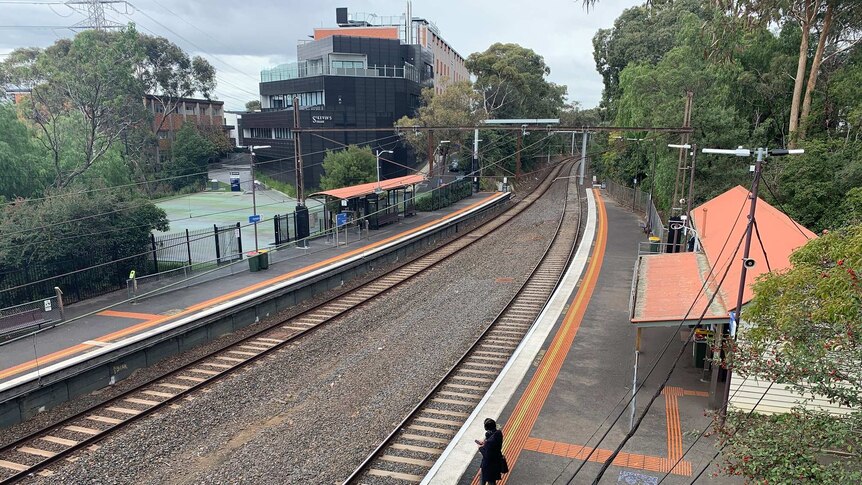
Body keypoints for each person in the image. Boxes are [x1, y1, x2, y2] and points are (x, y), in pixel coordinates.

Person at [475, 417, 504, 485]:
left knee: (489, 481)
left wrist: (480, 448)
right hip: (496, 461)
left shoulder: (490, 442)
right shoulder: (499, 433)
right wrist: (485, 442)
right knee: (488, 480)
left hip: (489, 464)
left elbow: (487, 455)